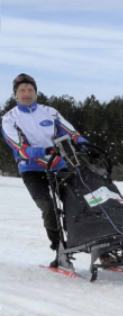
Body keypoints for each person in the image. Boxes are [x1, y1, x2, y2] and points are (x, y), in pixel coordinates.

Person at [2, 73, 88, 267]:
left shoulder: (50, 112)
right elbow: (20, 149)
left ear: (36, 92)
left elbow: (70, 132)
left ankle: (98, 244)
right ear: (15, 94)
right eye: (22, 90)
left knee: (81, 202)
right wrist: (45, 150)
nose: (26, 93)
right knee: (49, 209)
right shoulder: (9, 119)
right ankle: (59, 250)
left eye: (30, 89)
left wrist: (81, 141)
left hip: (58, 165)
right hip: (31, 169)